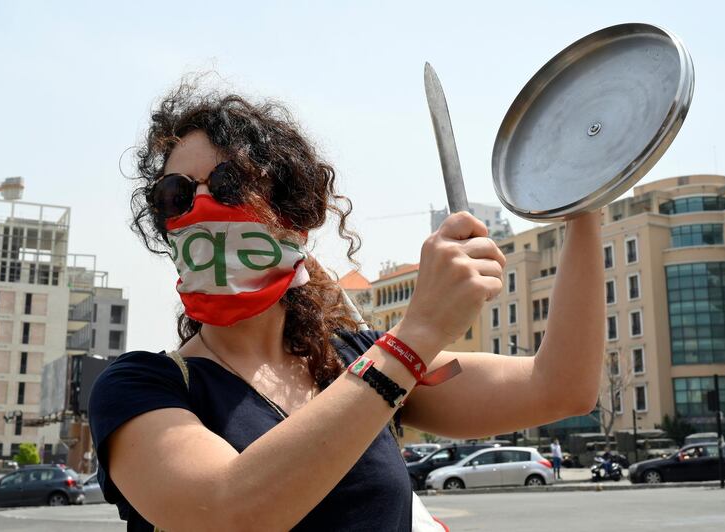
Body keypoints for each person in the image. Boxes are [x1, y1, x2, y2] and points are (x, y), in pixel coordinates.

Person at [88, 80, 605, 531]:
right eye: (176, 194)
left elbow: (560, 387)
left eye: (229, 185)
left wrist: (583, 204)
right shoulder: (140, 388)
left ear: (294, 216)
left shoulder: (350, 361)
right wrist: (416, 334)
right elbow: (229, 513)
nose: (201, 207)